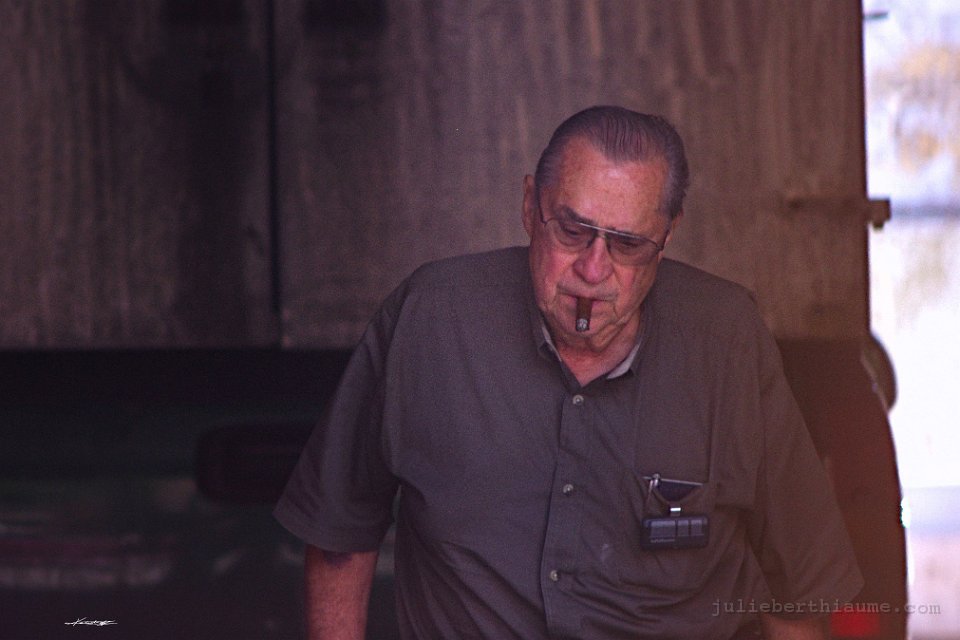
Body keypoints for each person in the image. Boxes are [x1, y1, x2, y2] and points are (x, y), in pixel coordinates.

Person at [275, 106, 863, 639]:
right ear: (530, 207)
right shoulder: (430, 318)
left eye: (628, 245)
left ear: (667, 237)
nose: (593, 269)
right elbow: (339, 536)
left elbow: (797, 587)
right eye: (573, 231)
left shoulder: (727, 340)